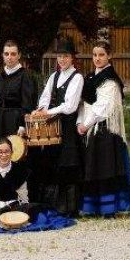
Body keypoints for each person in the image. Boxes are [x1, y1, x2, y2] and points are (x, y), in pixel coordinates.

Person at [0, 137, 76, 233]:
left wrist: (26, 212)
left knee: (37, 211)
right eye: (0, 152)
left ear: (12, 152)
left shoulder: (20, 171)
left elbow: (23, 197)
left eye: (7, 151)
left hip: (14, 207)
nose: (4, 155)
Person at [79, 40, 130, 216]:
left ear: (109, 56)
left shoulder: (110, 80)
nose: (97, 58)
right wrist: (80, 122)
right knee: (93, 168)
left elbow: (103, 108)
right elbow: (83, 104)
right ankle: (94, 207)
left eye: (101, 55)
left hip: (105, 131)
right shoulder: (90, 77)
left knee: (106, 168)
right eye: (95, 55)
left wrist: (86, 124)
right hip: (91, 129)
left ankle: (109, 208)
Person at [29, 37, 84, 216]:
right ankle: (54, 206)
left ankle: (70, 208)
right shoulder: (54, 76)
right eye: (59, 56)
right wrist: (41, 109)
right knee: (52, 164)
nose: (62, 60)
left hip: (67, 127)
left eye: (66, 56)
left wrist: (49, 112)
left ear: (72, 58)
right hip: (52, 127)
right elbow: (45, 97)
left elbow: (70, 106)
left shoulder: (77, 78)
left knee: (69, 166)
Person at [0, 39, 38, 147]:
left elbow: (28, 104)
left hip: (16, 124)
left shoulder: (26, 77)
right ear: (2, 55)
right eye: (6, 54)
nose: (9, 57)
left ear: (19, 55)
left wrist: (23, 125)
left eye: (13, 54)